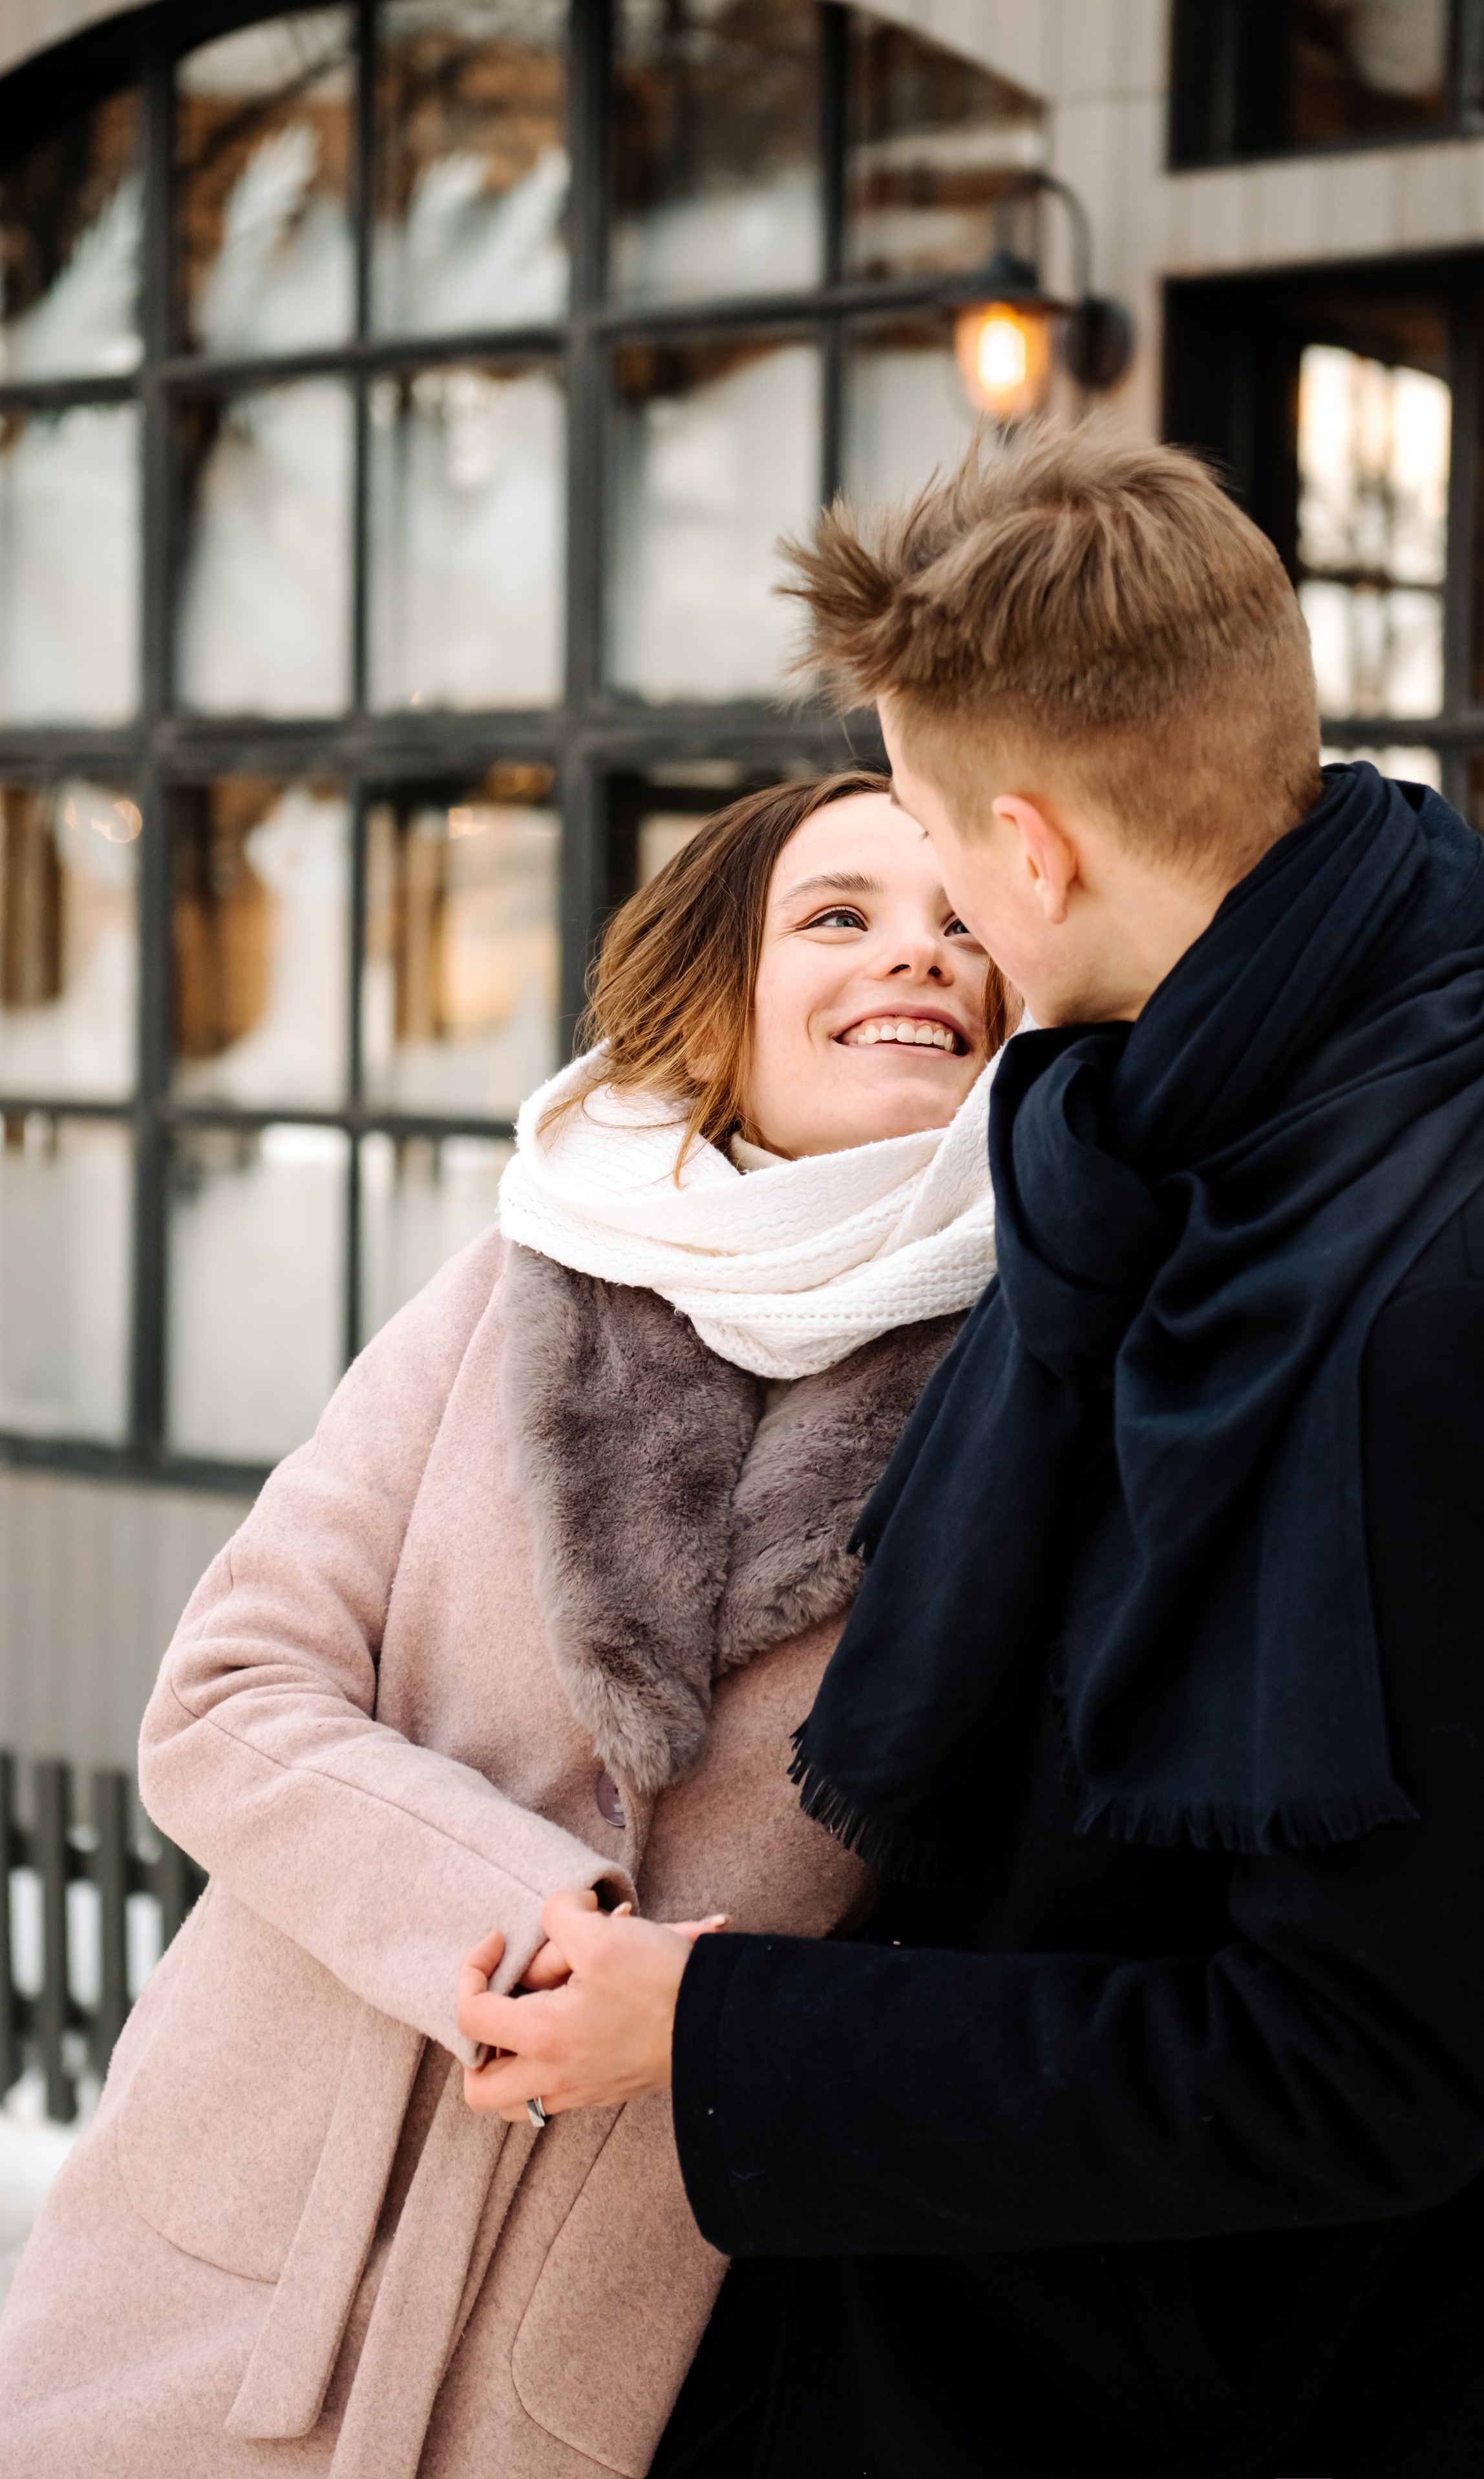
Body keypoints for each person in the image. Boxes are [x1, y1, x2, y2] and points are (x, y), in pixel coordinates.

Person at [449, 431, 1484, 2479]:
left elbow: (1352, 2061)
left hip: (1227, 2392)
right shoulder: (1189, 1110)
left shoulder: (1455, 1297)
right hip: (978, 2316)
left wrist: (712, 2031)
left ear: (1034, 847)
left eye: (934, 838)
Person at [0, 769, 1019, 2478]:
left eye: (967, 923)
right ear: (720, 984)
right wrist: (526, 1925)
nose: (918, 955)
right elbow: (229, 1691)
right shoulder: (522, 1276)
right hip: (220, 2270)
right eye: (839, 914)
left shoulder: (1035, 1386)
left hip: (597, 2358)